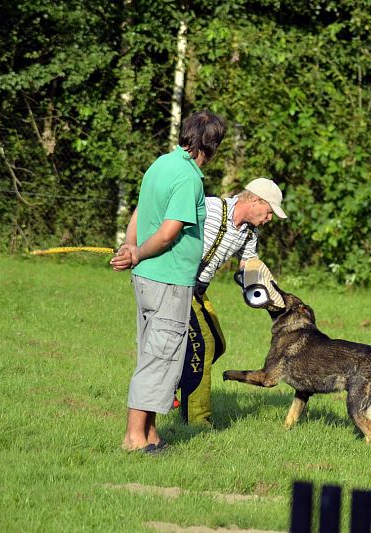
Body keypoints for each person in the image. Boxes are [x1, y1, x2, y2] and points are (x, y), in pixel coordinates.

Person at [110, 110, 226, 453]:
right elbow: (168, 232)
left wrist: (130, 245)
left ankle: (150, 434)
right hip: (167, 279)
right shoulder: (190, 178)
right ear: (213, 145)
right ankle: (134, 438)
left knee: (154, 351)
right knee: (160, 358)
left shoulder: (161, 164)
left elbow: (138, 211)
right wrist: (138, 252)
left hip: (147, 278)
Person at [178, 177, 287, 426]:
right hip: (178, 285)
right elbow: (171, 224)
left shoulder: (250, 231)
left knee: (217, 344)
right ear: (255, 200)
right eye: (269, 212)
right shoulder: (210, 208)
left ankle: (174, 388)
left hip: (198, 289)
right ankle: (196, 420)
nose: (269, 219)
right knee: (202, 346)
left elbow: (249, 264)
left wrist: (268, 291)